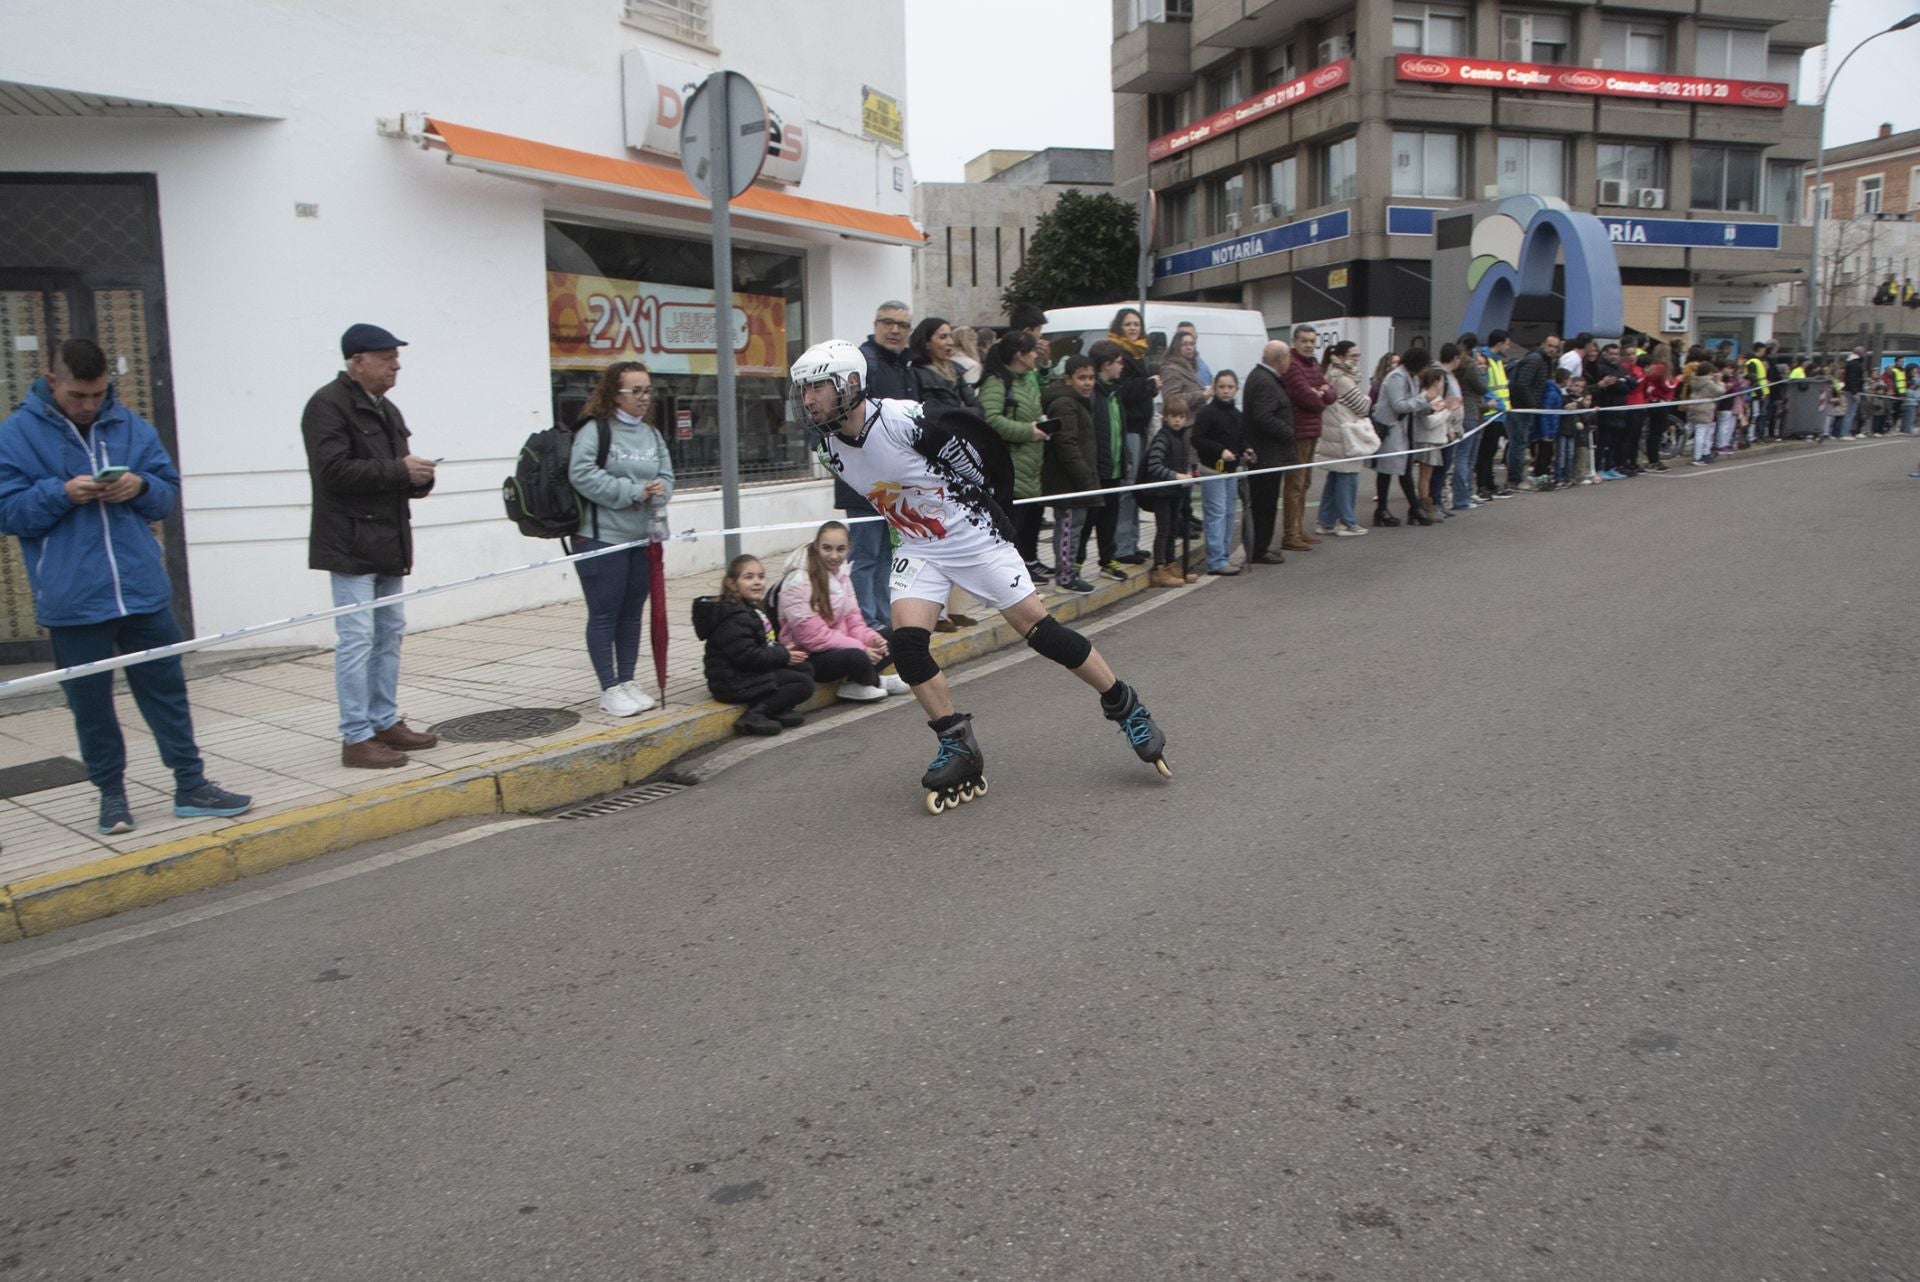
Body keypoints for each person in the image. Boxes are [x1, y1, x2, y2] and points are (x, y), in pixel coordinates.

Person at [790, 338, 1172, 808]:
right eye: (803, 391)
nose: (809, 400)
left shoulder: (905, 420)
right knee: (908, 650)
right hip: (919, 545)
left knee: (1042, 632)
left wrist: (996, 512)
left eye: (818, 388)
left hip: (973, 537)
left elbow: (982, 456)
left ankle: (1125, 705)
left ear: (850, 384)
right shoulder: (829, 447)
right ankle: (957, 743)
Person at [0, 337, 252, 834]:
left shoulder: (131, 426)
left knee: (168, 693)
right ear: (52, 383)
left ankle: (191, 785)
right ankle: (112, 797)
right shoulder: (16, 435)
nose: (90, 406)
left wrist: (140, 486)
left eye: (98, 394)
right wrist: (62, 492)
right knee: (91, 707)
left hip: (142, 592)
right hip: (73, 601)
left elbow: (165, 496)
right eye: (78, 396)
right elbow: (9, 511)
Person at [301, 322, 439, 769]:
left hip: (387, 539)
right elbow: (334, 472)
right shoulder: (327, 405)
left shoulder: (387, 409)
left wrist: (421, 477)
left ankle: (384, 721)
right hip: (349, 542)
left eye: (396, 358)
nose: (396, 366)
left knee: (389, 635)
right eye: (386, 358)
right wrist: (401, 472)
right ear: (357, 362)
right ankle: (355, 735)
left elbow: (397, 471)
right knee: (357, 638)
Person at [567, 360, 672, 718]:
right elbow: (581, 474)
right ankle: (608, 687)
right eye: (636, 391)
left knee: (631, 614)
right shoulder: (595, 431)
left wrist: (660, 490)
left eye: (648, 391)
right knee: (604, 614)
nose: (644, 398)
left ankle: (627, 680)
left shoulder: (652, 435)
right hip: (600, 539)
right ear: (615, 394)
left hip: (642, 539)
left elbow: (668, 476)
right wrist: (633, 491)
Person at [775, 521, 911, 702]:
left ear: (849, 549)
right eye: (827, 548)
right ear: (816, 547)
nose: (833, 556)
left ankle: (856, 684)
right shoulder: (796, 582)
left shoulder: (842, 574)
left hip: (840, 646)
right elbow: (814, 638)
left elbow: (854, 622)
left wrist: (872, 640)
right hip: (808, 656)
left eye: (840, 549)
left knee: (894, 637)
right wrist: (862, 648)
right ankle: (876, 681)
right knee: (857, 656)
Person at [693, 554, 815, 735]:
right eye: (749, 577)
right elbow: (748, 657)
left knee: (804, 669)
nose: (757, 582)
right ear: (732, 584)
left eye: (761, 576)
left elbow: (761, 645)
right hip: (732, 682)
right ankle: (755, 714)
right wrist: (783, 655)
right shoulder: (733, 617)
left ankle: (777, 708)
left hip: (746, 673)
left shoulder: (749, 608)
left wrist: (783, 652)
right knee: (803, 683)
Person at [977, 331, 1050, 579]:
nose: (1035, 355)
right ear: (1020, 354)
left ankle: (1028, 564)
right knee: (1011, 525)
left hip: (1032, 462)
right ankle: (1011, 577)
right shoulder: (996, 382)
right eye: (1032, 351)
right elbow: (990, 420)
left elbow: (1040, 397)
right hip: (1009, 464)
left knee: (1030, 520)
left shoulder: (1028, 377)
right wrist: (1027, 432)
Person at [1041, 355, 1103, 595]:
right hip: (1068, 481)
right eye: (1081, 378)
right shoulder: (1066, 403)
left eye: (1091, 378)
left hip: (1077, 479)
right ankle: (1065, 576)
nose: (1087, 383)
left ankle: (1068, 572)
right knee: (1068, 527)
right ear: (1068, 379)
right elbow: (1066, 444)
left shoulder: (1078, 402)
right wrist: (1085, 478)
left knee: (1073, 526)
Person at [1103, 308, 1159, 565]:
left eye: (1137, 323)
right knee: (1127, 488)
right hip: (1128, 428)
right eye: (1128, 324)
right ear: (1119, 326)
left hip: (1141, 427)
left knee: (1136, 486)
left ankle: (1132, 542)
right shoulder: (1118, 353)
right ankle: (1123, 546)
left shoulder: (1139, 352)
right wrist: (1148, 385)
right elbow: (1122, 390)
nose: (1134, 328)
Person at [1076, 340, 1133, 580]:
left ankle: (1107, 559)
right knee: (1090, 518)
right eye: (1119, 363)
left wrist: (1125, 455)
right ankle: (1076, 563)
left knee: (1110, 515)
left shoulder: (1114, 392)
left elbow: (1120, 427)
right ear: (1107, 364)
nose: (1122, 367)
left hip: (1115, 465)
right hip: (1097, 467)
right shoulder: (1092, 395)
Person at [1278, 324, 1336, 551]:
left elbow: (1331, 393)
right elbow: (1307, 397)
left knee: (1305, 483)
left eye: (1312, 341)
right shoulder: (1292, 366)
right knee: (1295, 484)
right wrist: (1320, 393)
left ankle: (1299, 528)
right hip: (1298, 432)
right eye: (1305, 341)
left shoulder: (1313, 364)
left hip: (1312, 431)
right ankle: (1290, 533)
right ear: (1295, 342)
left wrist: (1321, 392)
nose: (1309, 345)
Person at [1311, 339, 1375, 537]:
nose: (1356, 360)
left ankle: (1326, 521)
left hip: (1335, 435)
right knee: (1348, 478)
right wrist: (1368, 398)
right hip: (1345, 436)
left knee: (1335, 478)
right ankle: (1347, 522)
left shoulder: (1331, 374)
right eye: (1353, 356)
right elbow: (1363, 407)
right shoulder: (1343, 380)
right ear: (1340, 357)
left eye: (1358, 355)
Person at [1190, 369, 1247, 575]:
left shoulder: (1237, 414)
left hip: (1231, 471)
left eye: (1230, 387)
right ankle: (1216, 560)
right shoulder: (1207, 413)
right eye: (1221, 387)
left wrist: (1246, 450)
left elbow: (1241, 439)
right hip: (1212, 469)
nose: (1225, 391)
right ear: (1214, 388)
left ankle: (1223, 554)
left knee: (1230, 513)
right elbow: (1197, 439)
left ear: (1236, 389)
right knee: (1216, 513)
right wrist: (1219, 450)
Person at [1241, 340, 1294, 563]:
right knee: (1265, 503)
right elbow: (1263, 416)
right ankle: (1258, 549)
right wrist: (1287, 431)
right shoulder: (1265, 381)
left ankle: (1261, 545)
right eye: (1288, 357)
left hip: (1267, 454)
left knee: (1266, 502)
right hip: (1266, 455)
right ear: (1280, 359)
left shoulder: (1263, 377)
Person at [1369, 345, 1434, 526]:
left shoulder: (1410, 377)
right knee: (1388, 469)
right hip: (1392, 428)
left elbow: (1412, 404)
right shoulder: (1397, 377)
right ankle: (1389, 509)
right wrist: (1424, 399)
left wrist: (1428, 407)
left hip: (1403, 428)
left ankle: (1411, 508)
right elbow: (1399, 405)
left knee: (1401, 469)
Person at [1140, 396, 1199, 587]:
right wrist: (1176, 476)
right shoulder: (1163, 438)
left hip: (1175, 492)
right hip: (1162, 493)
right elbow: (1154, 465)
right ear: (1165, 417)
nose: (1177, 420)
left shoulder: (1181, 438)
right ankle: (1159, 567)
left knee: (1174, 529)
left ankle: (1171, 563)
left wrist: (1187, 474)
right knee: (1163, 530)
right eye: (1173, 416)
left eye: (1181, 416)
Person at [907, 317, 980, 411]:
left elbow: (976, 406)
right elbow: (932, 412)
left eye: (950, 337)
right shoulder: (915, 373)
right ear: (926, 343)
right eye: (943, 337)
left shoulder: (955, 370)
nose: (950, 342)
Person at [1685, 360, 1724, 466]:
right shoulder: (1708, 382)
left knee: (1694, 430)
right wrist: (1719, 381)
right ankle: (1698, 457)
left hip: (1694, 407)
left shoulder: (1694, 380)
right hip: (1705, 409)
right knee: (1702, 433)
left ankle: (1703, 454)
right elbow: (1719, 392)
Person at [1158, 330, 1206, 416]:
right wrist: (1201, 395)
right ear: (1176, 347)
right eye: (1185, 344)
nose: (1189, 348)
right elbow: (1171, 400)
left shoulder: (1190, 366)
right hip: (1182, 423)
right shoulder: (1170, 369)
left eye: (1192, 344)